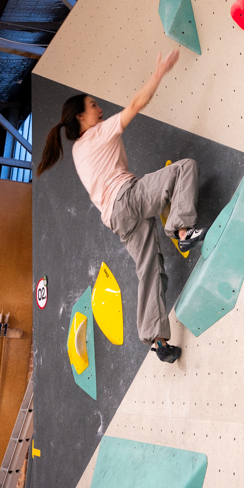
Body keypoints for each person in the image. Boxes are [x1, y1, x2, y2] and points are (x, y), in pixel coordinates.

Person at [36, 48, 205, 363]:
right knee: (184, 168)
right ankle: (182, 231)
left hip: (116, 219)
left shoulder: (77, 152)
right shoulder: (98, 133)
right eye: (93, 106)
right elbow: (137, 104)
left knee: (150, 270)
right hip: (128, 198)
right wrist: (160, 71)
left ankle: (159, 342)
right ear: (81, 118)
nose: (99, 109)